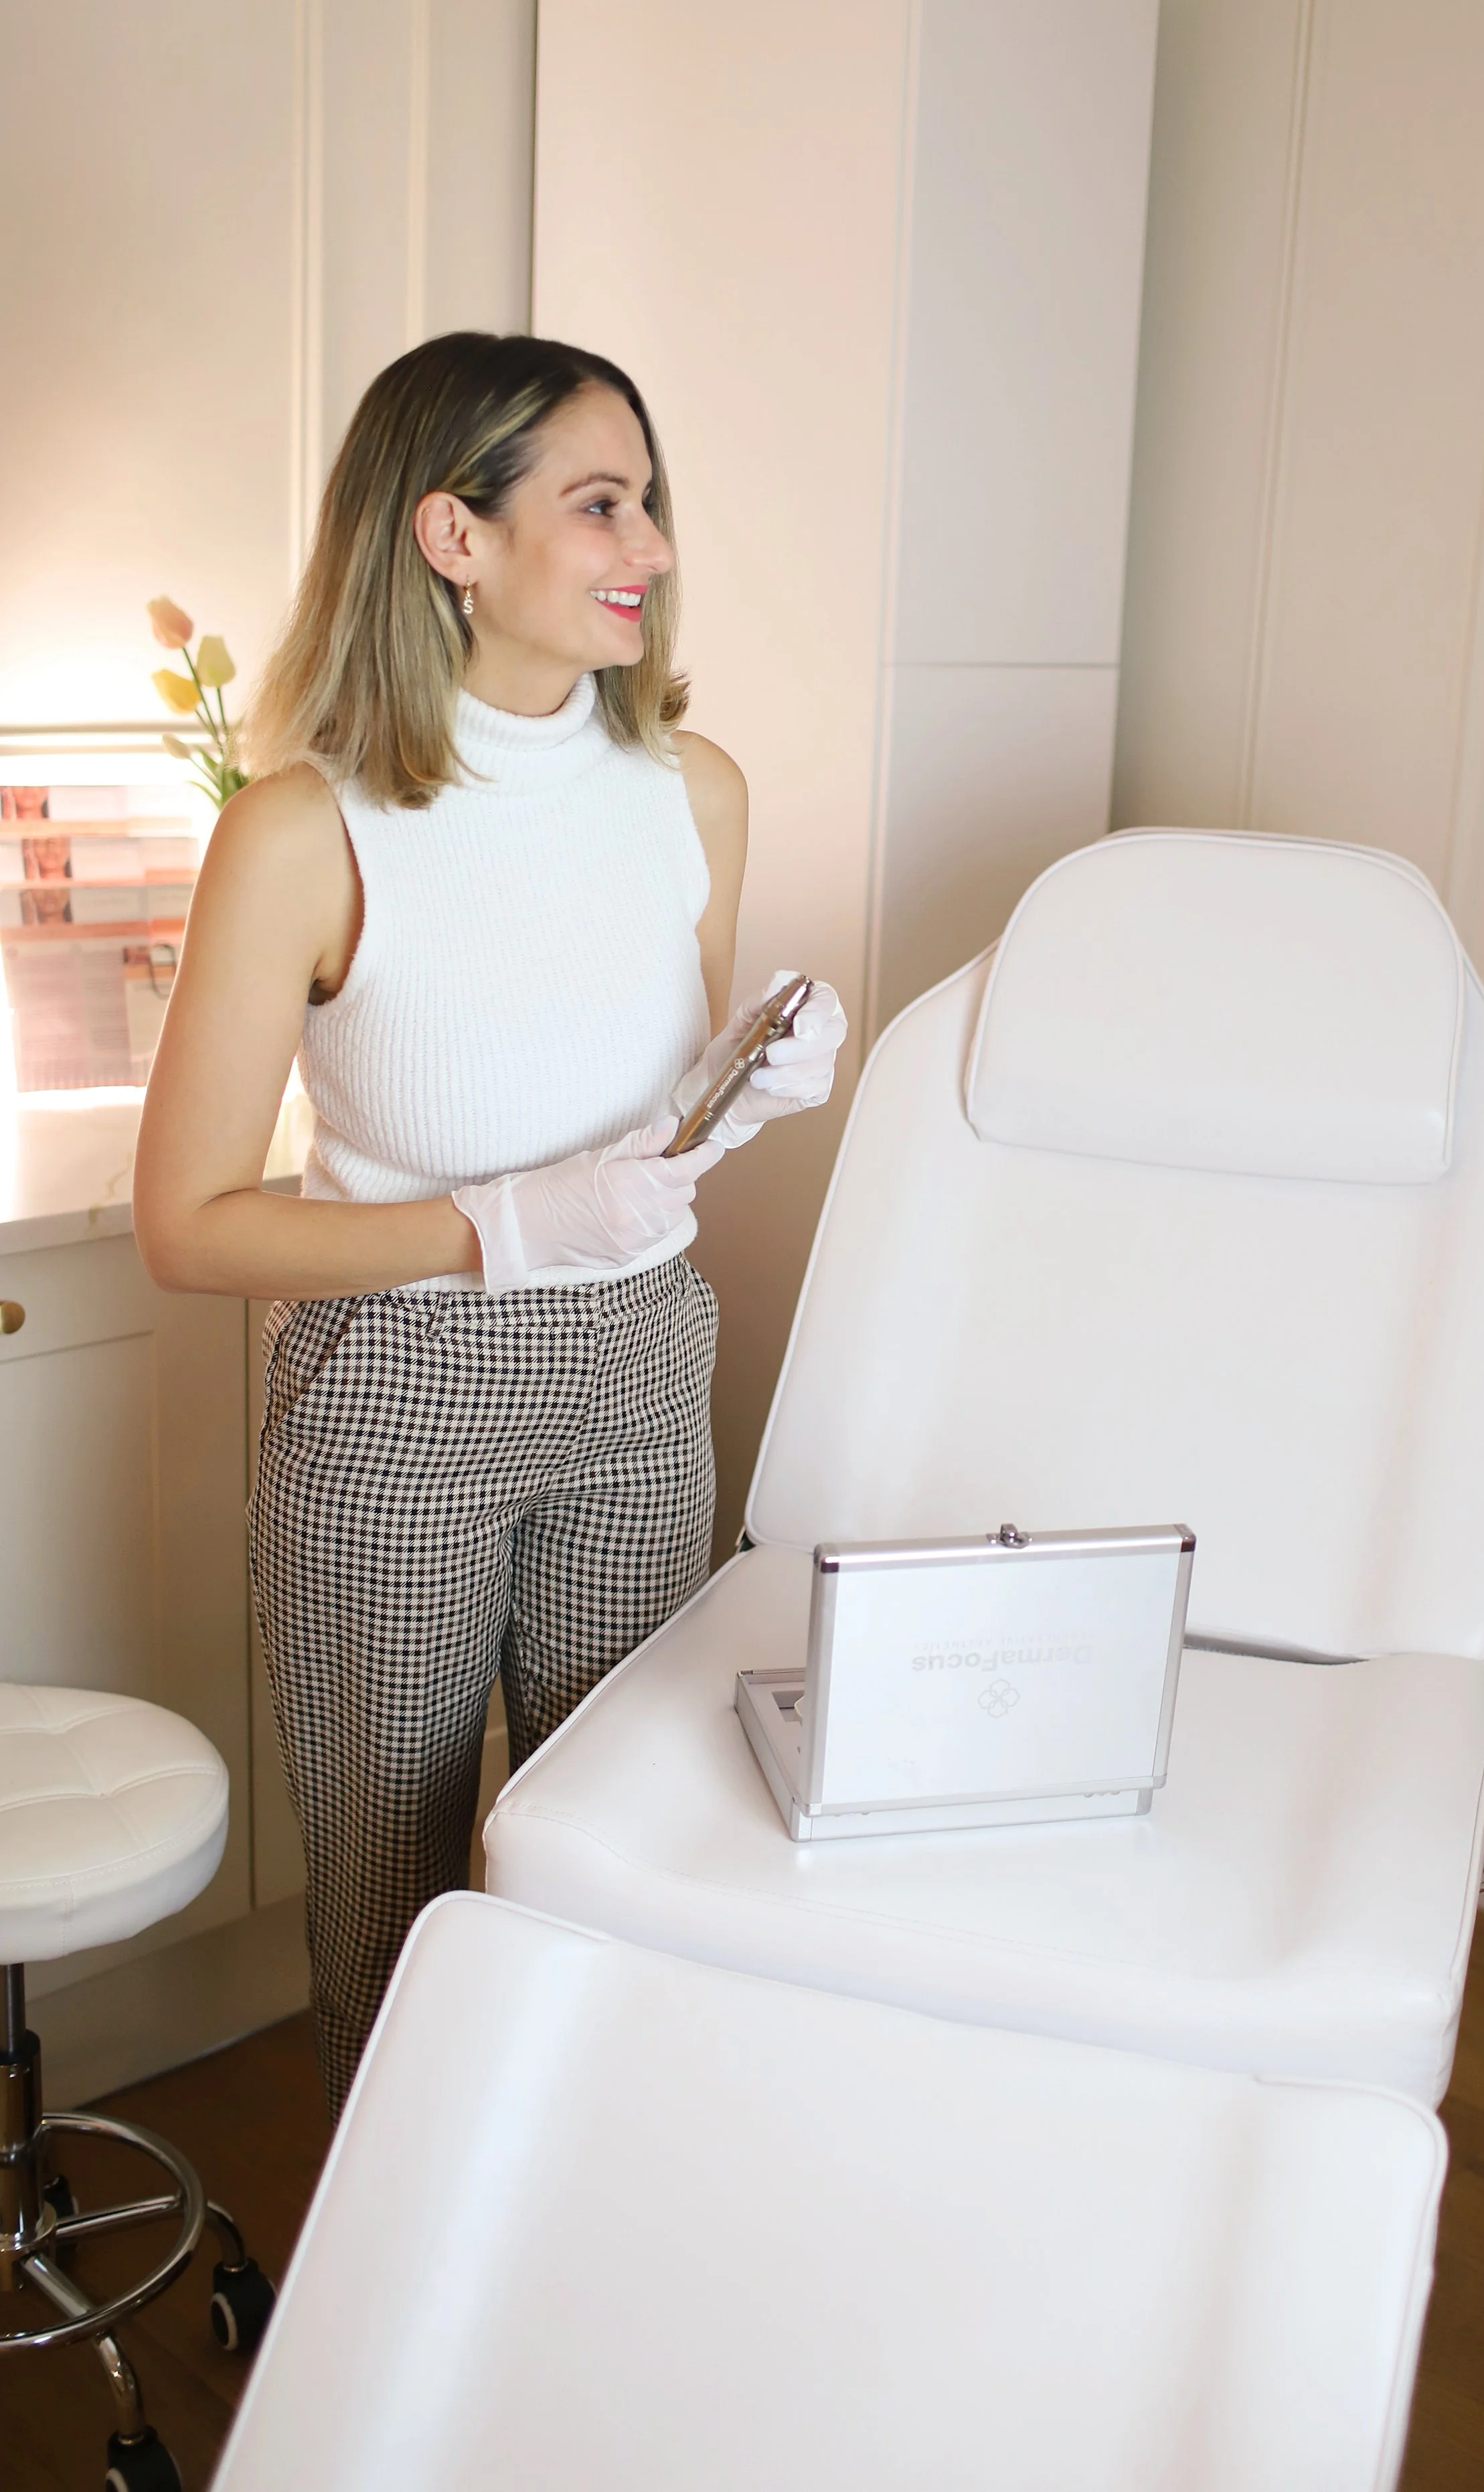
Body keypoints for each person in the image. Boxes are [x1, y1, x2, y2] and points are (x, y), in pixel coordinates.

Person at [133, 332, 847, 2112]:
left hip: (635, 1378)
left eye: (650, 502)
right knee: (394, 1921)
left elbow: (636, 1141)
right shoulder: (302, 833)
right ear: (451, 536)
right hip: (394, 1405)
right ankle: (397, 2330)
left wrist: (740, 1091)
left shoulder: (694, 793)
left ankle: (568, 2256)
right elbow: (188, 1224)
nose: (651, 548)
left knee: (614, 1867)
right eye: (599, 504)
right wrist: (494, 1230)